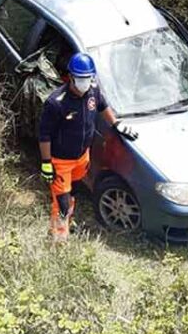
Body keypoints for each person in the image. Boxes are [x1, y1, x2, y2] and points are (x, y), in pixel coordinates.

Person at [38, 53, 138, 241]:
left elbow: (103, 106)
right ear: (71, 77)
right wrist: (46, 162)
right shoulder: (56, 103)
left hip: (82, 157)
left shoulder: (93, 91)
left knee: (73, 192)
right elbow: (44, 135)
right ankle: (59, 239)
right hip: (61, 161)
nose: (85, 82)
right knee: (62, 202)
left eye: (88, 78)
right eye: (81, 78)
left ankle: (66, 222)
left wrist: (116, 124)